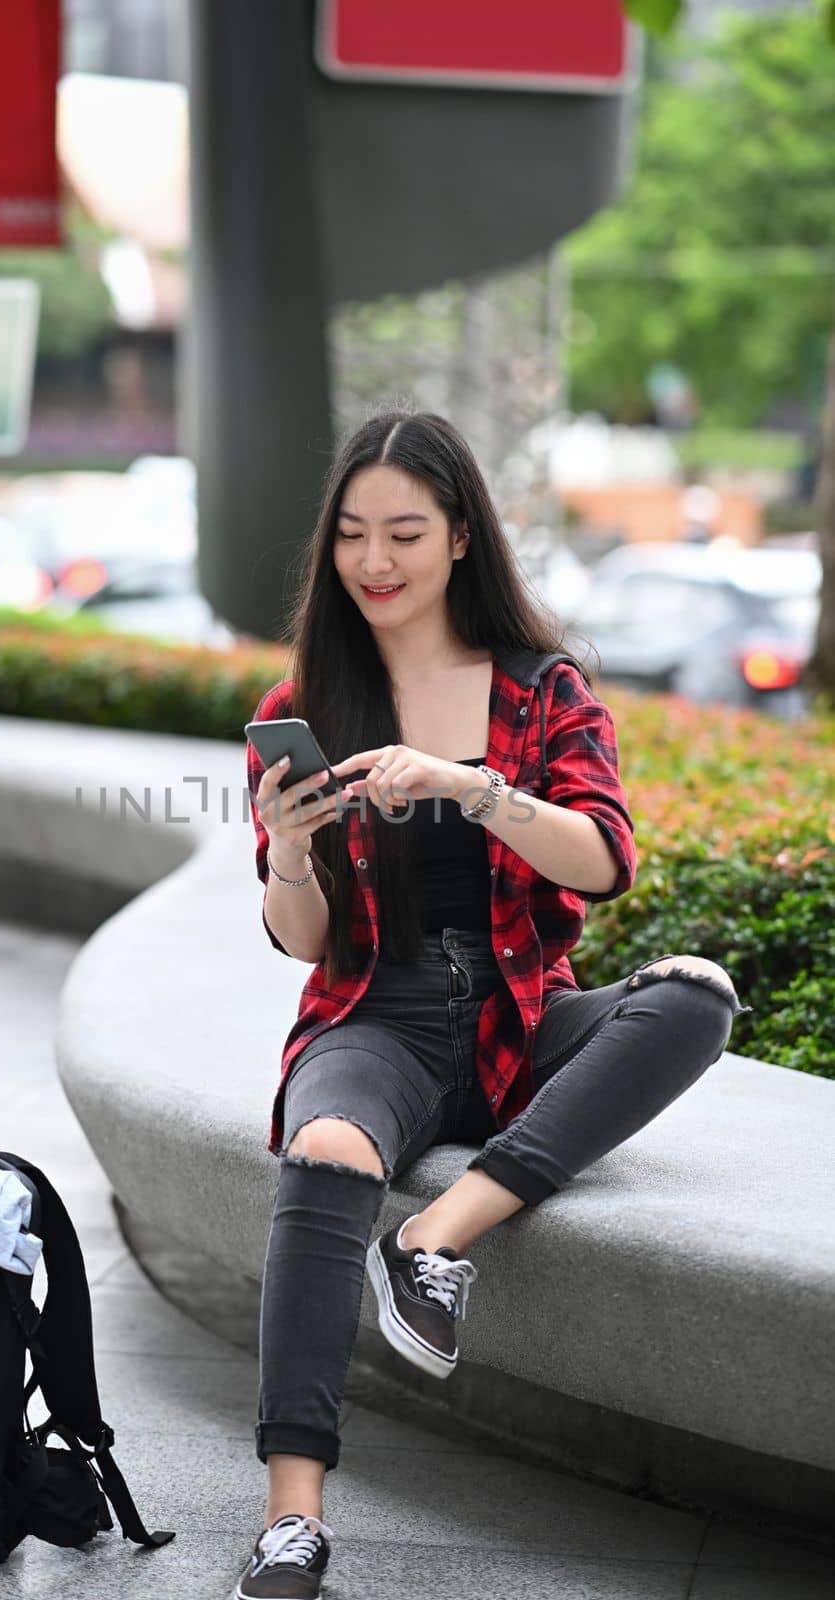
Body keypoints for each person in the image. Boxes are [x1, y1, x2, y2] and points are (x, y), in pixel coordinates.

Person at [235, 410, 752, 1600]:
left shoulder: (540, 687)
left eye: (405, 532)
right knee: (323, 1148)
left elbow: (604, 858)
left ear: (460, 537)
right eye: (354, 534)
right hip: (374, 1016)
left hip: (523, 1009)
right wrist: (288, 851)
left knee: (692, 998)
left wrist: (474, 788)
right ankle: (290, 1518)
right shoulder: (302, 699)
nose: (375, 560)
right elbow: (296, 942)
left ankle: (432, 1238)